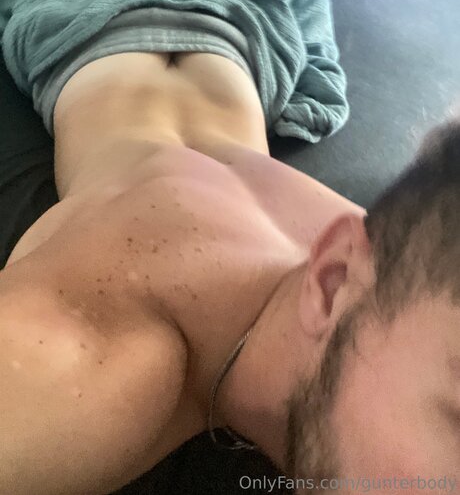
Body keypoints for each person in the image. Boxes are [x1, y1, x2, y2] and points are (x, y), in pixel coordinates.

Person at [0, 47, 459, 494]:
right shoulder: (85, 361)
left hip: (242, 37)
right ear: (331, 279)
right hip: (87, 31)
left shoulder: (410, 261)